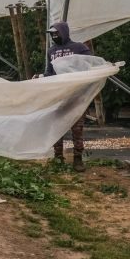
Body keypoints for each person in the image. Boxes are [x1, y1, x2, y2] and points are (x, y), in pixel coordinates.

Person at [41, 21, 92, 172]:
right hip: (59, 95)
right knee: (57, 127)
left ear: (63, 32)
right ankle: (58, 158)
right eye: (52, 34)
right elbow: (50, 72)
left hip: (76, 96)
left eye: (56, 33)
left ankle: (78, 159)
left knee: (77, 128)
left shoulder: (79, 48)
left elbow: (89, 64)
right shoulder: (51, 51)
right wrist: (41, 76)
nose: (54, 37)